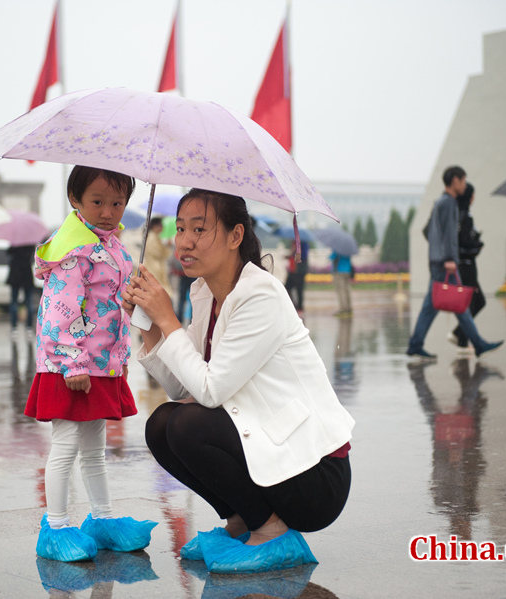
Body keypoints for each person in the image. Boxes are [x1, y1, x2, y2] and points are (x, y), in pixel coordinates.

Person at [125, 189, 354, 573]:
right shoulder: (205, 293)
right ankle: (243, 521)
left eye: (199, 229)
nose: (185, 241)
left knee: (186, 425)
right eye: (181, 228)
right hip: (267, 452)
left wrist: (168, 320)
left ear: (235, 236)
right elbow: (184, 388)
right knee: (162, 425)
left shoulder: (260, 294)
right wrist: (150, 328)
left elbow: (210, 391)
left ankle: (272, 532)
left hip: (312, 472)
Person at [25, 165, 155, 563]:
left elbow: (111, 311)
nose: (108, 211)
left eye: (117, 202)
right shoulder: (74, 248)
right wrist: (72, 362)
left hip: (101, 365)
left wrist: (120, 358)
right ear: (75, 201)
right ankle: (57, 525)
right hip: (72, 367)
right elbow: (59, 312)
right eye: (97, 201)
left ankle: (101, 519)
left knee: (94, 450)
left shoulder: (113, 245)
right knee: (65, 447)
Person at [407, 166, 503, 359]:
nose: (465, 185)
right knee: (458, 305)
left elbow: (431, 233)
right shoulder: (449, 203)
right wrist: (450, 258)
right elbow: (450, 235)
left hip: (437, 261)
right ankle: (478, 343)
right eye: (463, 181)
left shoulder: (440, 202)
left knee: (440, 306)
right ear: (455, 181)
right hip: (445, 263)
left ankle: (416, 345)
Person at [448, 183, 486, 349]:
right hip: (467, 266)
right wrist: (477, 243)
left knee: (471, 302)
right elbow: (464, 243)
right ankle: (459, 335)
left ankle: (461, 339)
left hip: (464, 265)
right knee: (476, 301)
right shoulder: (465, 217)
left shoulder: (459, 215)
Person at [6, 244, 37, 341]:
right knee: (29, 303)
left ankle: (14, 328)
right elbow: (32, 257)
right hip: (26, 274)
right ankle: (29, 328)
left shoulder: (15, 243)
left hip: (15, 274)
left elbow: (8, 252)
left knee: (14, 302)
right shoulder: (30, 244)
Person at [144, 217, 172, 292]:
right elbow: (158, 253)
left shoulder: (155, 237)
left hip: (157, 267)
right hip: (153, 267)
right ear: (155, 226)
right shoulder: (152, 237)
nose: (162, 228)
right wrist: (166, 246)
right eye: (161, 225)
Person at [284, 238, 310, 314]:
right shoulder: (294, 242)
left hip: (299, 272)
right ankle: (293, 305)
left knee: (299, 290)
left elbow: (302, 257)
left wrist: (295, 251)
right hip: (292, 271)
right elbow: (293, 255)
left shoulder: (302, 243)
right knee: (287, 288)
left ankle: (300, 308)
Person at [330, 251, 353, 315]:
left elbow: (332, 257)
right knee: (347, 290)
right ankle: (349, 308)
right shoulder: (348, 249)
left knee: (341, 291)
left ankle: (343, 309)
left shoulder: (338, 249)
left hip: (339, 271)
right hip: (347, 270)